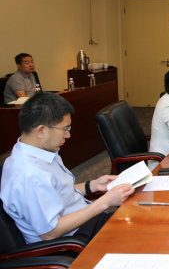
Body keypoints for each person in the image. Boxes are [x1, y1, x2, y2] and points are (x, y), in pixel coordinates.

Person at [0, 92, 134, 244]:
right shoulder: (31, 175)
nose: (68, 135)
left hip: (85, 222)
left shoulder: (40, 151)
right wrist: (105, 202)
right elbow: (50, 232)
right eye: (65, 129)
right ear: (40, 131)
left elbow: (56, 191)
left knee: (143, 219)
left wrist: (92, 185)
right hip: (72, 241)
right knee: (146, 234)